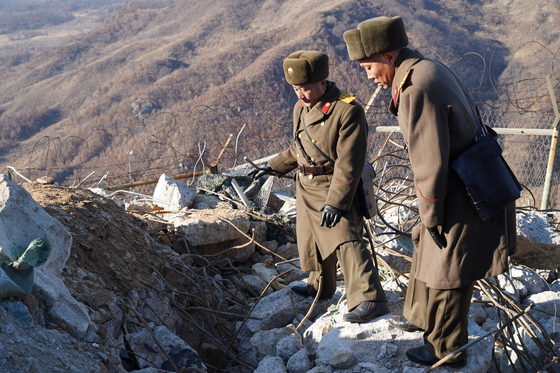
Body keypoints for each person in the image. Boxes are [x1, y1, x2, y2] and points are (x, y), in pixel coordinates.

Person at [343, 16, 517, 367]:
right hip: (472, 176)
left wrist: (432, 214)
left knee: (451, 268)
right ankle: (420, 315)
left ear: (389, 56)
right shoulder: (425, 67)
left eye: (368, 66)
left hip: (462, 190)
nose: (368, 75)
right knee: (427, 246)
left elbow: (428, 160)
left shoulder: (415, 88)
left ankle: (445, 349)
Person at [250, 50, 388, 323]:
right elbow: (298, 149)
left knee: (345, 237)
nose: (300, 94)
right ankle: (320, 287)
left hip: (334, 184)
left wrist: (337, 201)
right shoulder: (300, 109)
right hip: (306, 186)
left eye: (305, 88)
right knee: (311, 236)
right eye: (296, 89)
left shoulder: (347, 110)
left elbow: (349, 162)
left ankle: (370, 298)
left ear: (323, 83)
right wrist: (274, 165)